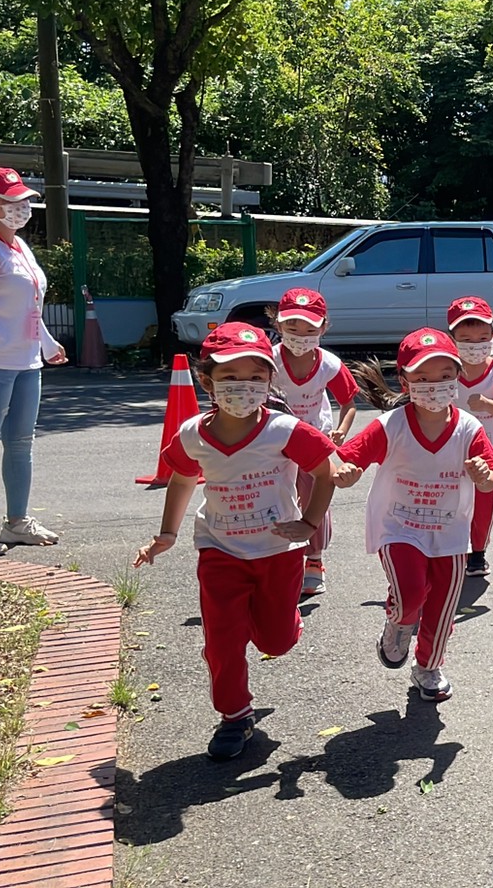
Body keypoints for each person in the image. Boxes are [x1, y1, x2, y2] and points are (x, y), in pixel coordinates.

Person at [132, 323, 339, 760]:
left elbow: (325, 472)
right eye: (229, 379)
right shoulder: (192, 434)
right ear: (206, 382)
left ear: (270, 381)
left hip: (278, 552)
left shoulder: (285, 430)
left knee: (275, 642)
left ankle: (282, 623)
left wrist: (309, 522)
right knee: (222, 641)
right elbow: (182, 478)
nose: (242, 389)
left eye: (254, 379)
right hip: (219, 549)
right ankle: (234, 716)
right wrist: (167, 535)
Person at [335, 329, 493, 704]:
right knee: (411, 594)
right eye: (422, 379)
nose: (434, 387)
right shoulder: (391, 424)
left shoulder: (469, 428)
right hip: (399, 527)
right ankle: (398, 622)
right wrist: (346, 474)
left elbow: (489, 479)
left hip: (449, 532)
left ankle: (427, 666)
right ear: (405, 380)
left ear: (457, 378)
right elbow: (350, 460)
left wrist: (483, 476)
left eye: (444, 377)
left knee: (443, 607)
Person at [0, 167, 67, 556]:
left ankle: (16, 522)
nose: (22, 207)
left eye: (24, 201)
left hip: (26, 362)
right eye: (11, 201)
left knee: (20, 443)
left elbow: (31, 306)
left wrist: (47, 344)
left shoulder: (19, 246)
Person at [271, 288, 359, 596]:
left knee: (314, 499)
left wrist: (340, 431)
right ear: (278, 325)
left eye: (309, 330)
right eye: (292, 329)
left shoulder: (329, 365)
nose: (300, 336)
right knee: (278, 496)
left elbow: (348, 403)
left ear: (323, 328)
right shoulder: (268, 361)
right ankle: (279, 555)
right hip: (274, 440)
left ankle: (315, 559)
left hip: (314, 442)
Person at [448, 297, 493, 578]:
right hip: (451, 448)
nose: (474, 344)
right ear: (451, 338)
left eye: (481, 337)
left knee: (486, 504)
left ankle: (478, 552)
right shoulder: (445, 368)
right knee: (453, 499)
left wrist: (489, 404)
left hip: (489, 453)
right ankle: (455, 547)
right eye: (465, 338)